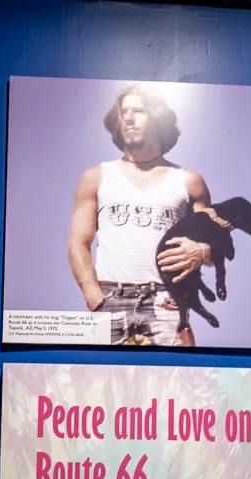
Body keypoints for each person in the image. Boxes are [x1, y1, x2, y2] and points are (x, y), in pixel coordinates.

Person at [67, 83, 216, 347]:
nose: (128, 117)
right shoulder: (96, 177)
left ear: (158, 117)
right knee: (103, 386)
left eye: (139, 110)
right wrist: (94, 296)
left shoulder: (188, 181)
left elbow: (216, 247)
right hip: (110, 298)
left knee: (177, 384)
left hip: (167, 301)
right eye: (124, 111)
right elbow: (78, 243)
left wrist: (202, 251)